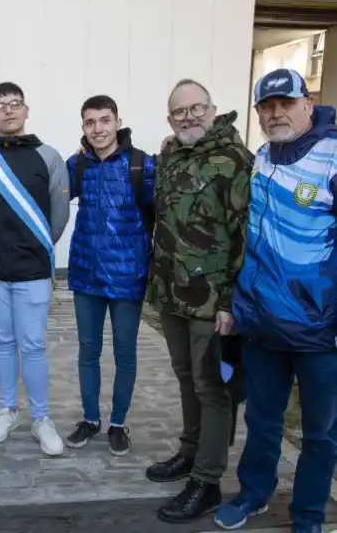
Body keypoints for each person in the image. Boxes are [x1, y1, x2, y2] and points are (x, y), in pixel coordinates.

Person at [215, 69, 337, 533]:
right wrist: (236, 305)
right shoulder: (263, 156)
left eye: (285, 103)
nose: (275, 113)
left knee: (321, 434)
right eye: (266, 107)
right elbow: (252, 239)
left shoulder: (333, 156)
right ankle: (254, 493)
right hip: (262, 324)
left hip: (321, 330)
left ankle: (308, 515)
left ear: (308, 102)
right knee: (262, 418)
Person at [146, 79, 252, 524]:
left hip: (213, 300)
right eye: (179, 112)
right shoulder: (171, 153)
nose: (188, 116)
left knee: (214, 388)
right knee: (186, 377)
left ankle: (207, 481)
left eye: (196, 108)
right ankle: (190, 452)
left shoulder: (234, 160)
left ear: (212, 109)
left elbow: (243, 235)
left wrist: (230, 302)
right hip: (172, 294)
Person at [0, 82, 70, 455]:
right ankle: (7, 410)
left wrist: (38, 249)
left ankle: (41, 419)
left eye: (15, 104)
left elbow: (58, 217)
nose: (8, 110)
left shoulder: (48, 157)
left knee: (32, 345)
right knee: (2, 342)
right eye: (0, 105)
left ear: (26, 110)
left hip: (32, 270)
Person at [64, 95, 155, 457]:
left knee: (125, 353)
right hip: (86, 275)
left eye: (105, 120)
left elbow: (159, 214)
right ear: (83, 126)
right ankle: (90, 419)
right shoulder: (77, 166)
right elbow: (50, 202)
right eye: (90, 122)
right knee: (88, 351)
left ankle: (118, 422)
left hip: (127, 277)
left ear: (118, 122)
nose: (98, 128)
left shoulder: (141, 165)